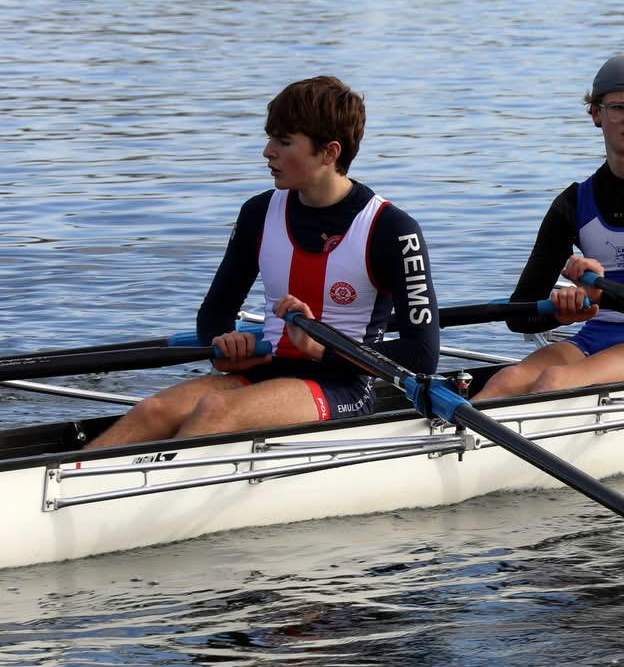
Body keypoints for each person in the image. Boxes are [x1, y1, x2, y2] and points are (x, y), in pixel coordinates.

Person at [86, 76, 440, 449]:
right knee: (152, 411)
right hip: (265, 371)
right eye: (271, 138)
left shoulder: (391, 230)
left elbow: (421, 356)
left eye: (284, 142)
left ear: (329, 153)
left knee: (216, 412)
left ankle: (147, 497)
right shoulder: (259, 213)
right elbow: (215, 312)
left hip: (340, 386)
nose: (267, 152)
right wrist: (225, 344)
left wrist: (320, 349)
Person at [474, 54, 624, 399]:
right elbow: (521, 313)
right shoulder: (572, 204)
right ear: (596, 114)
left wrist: (603, 297)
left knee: (555, 382)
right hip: (594, 335)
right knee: (503, 382)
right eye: (618, 107)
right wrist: (561, 312)